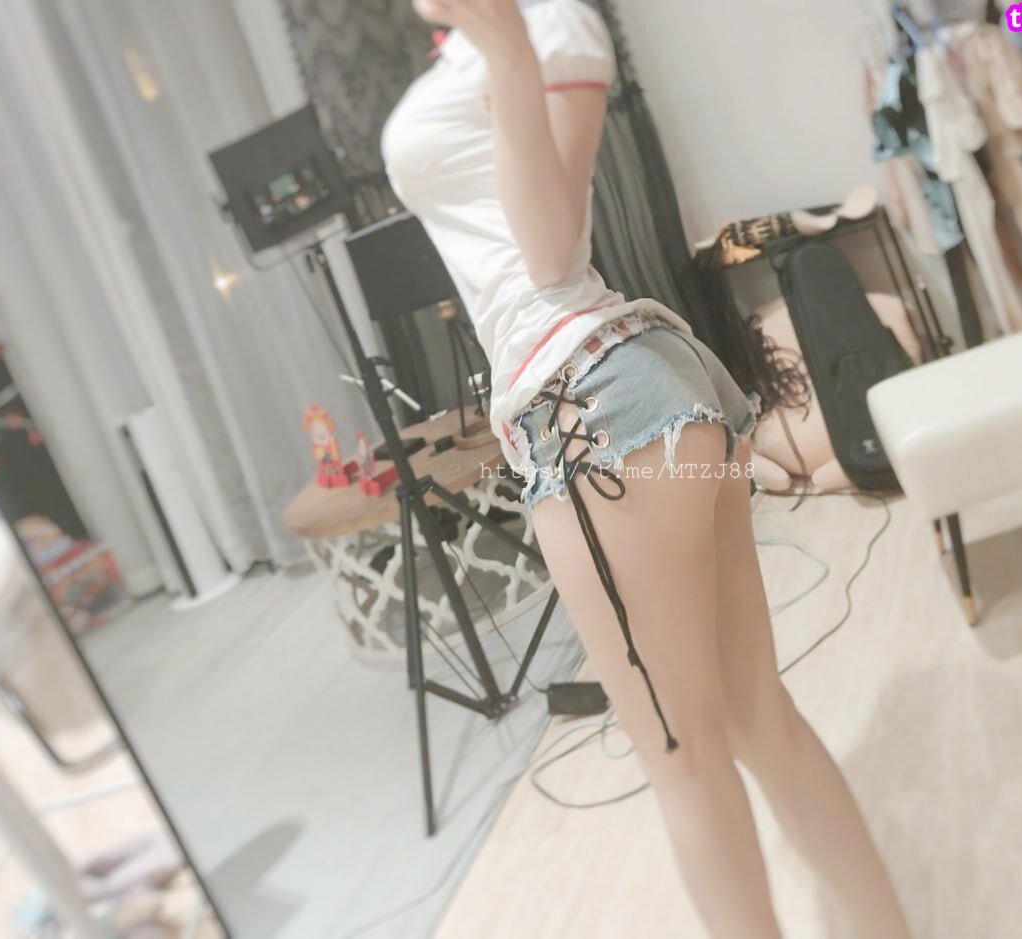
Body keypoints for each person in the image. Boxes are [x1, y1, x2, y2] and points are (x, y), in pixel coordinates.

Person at [383, 1, 911, 935]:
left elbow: (550, 250)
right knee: (751, 719)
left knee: (685, 758)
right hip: (636, 391)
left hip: (592, 407)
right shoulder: (473, 47)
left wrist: (506, 47)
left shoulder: (548, 27)